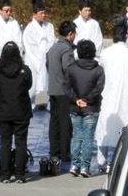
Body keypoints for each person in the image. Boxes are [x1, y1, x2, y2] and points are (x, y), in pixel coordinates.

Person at [93, 14, 128, 173]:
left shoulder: (105, 53)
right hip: (126, 96)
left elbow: (100, 75)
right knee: (123, 126)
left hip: (107, 95)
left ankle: (101, 160)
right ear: (126, 36)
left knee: (104, 126)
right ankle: (121, 160)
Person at [0, 42, 33, 184]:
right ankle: (20, 174)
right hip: (21, 111)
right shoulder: (25, 70)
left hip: (4, 111)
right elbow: (28, 85)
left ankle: (5, 174)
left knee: (5, 142)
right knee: (21, 142)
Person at [65, 40, 105, 178]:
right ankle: (85, 167)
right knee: (88, 137)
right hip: (91, 107)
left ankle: (74, 165)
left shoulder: (71, 68)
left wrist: (76, 100)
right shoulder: (98, 70)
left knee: (76, 136)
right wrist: (87, 100)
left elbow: (67, 87)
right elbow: (98, 89)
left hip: (75, 106)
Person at [46, 20, 77, 166]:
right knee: (65, 122)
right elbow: (68, 68)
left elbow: (48, 65)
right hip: (63, 90)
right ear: (70, 34)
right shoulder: (66, 49)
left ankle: (54, 151)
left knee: (54, 121)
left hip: (53, 88)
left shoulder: (53, 48)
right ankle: (65, 152)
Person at [22, 0, 54, 110]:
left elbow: (51, 41)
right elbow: (30, 47)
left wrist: (46, 54)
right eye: (41, 13)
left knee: (44, 82)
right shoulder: (29, 29)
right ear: (34, 14)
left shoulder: (49, 26)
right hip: (33, 59)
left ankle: (42, 104)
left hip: (46, 58)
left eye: (44, 13)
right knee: (34, 83)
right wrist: (41, 57)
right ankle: (31, 105)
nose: (43, 15)